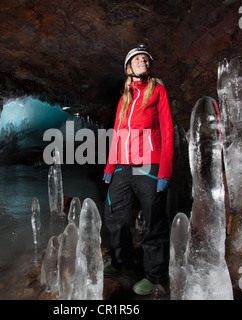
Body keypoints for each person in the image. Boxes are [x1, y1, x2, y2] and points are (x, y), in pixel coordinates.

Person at [103, 44, 174, 295]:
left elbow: (167, 132)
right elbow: (118, 135)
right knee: (114, 217)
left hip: (149, 165)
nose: (143, 61)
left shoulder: (157, 92)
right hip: (123, 167)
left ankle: (154, 276)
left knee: (154, 221)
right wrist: (110, 167)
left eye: (146, 59)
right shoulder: (125, 98)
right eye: (138, 59)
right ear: (129, 67)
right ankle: (121, 262)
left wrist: (164, 172)